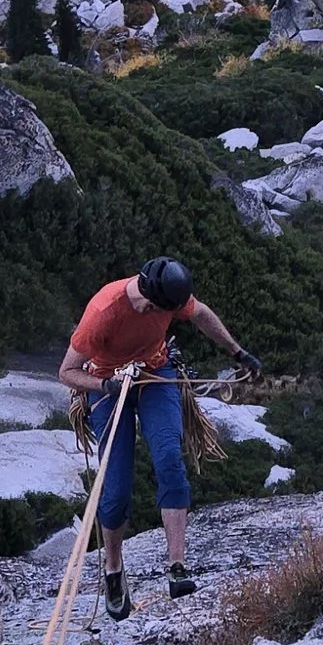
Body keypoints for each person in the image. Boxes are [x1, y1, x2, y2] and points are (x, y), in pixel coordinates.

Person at [59, 258, 255, 619]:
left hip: (154, 375)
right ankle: (114, 571)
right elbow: (67, 371)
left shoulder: (170, 295)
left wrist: (237, 351)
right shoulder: (104, 310)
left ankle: (177, 566)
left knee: (169, 459)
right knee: (115, 488)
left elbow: (200, 314)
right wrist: (105, 385)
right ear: (151, 300)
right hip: (107, 384)